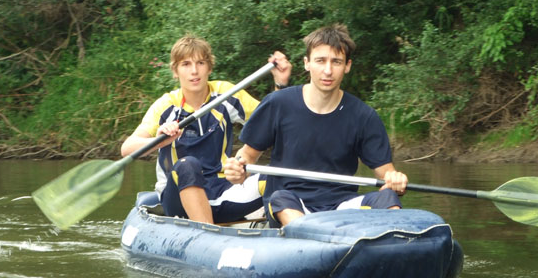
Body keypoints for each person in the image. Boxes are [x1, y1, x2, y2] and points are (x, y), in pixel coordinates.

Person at [223, 24, 407, 227]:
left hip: (341, 206)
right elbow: (247, 157)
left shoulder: (364, 116)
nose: (328, 70)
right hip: (291, 203)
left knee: (388, 198)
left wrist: (395, 180)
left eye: (336, 62)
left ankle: (399, 243)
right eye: (320, 61)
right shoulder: (277, 103)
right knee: (280, 198)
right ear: (307, 63)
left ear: (347, 66)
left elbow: (386, 175)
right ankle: (313, 238)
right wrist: (237, 169)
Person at [121, 34, 291, 224]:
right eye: (186, 64)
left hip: (223, 192)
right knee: (188, 165)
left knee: (276, 174)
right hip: (178, 199)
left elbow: (272, 122)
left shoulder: (225, 94)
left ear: (209, 67)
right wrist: (159, 139)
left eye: (200, 63)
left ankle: (288, 229)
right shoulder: (166, 106)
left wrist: (280, 84)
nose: (194, 71)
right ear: (175, 71)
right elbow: (127, 148)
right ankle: (206, 234)